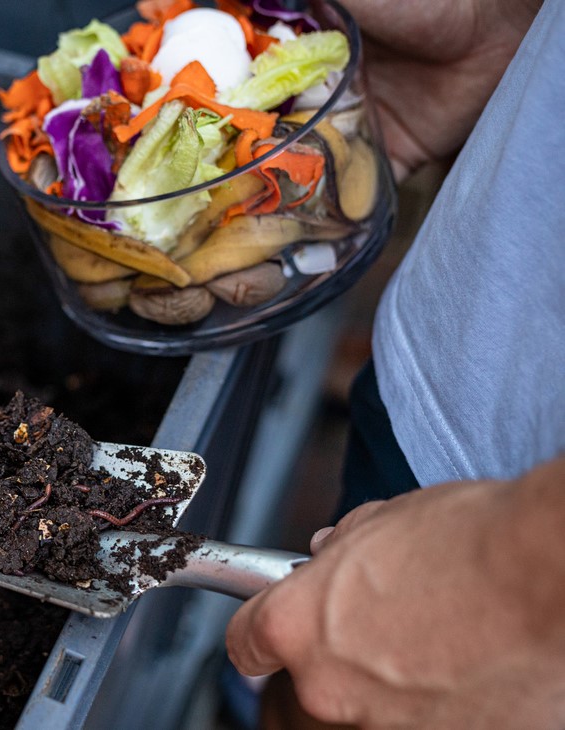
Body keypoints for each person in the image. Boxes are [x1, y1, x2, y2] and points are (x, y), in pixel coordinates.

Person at [223, 0, 565, 727]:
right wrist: (519, 26)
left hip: (524, 583)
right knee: (304, 679)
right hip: (456, 362)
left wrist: (519, 589)